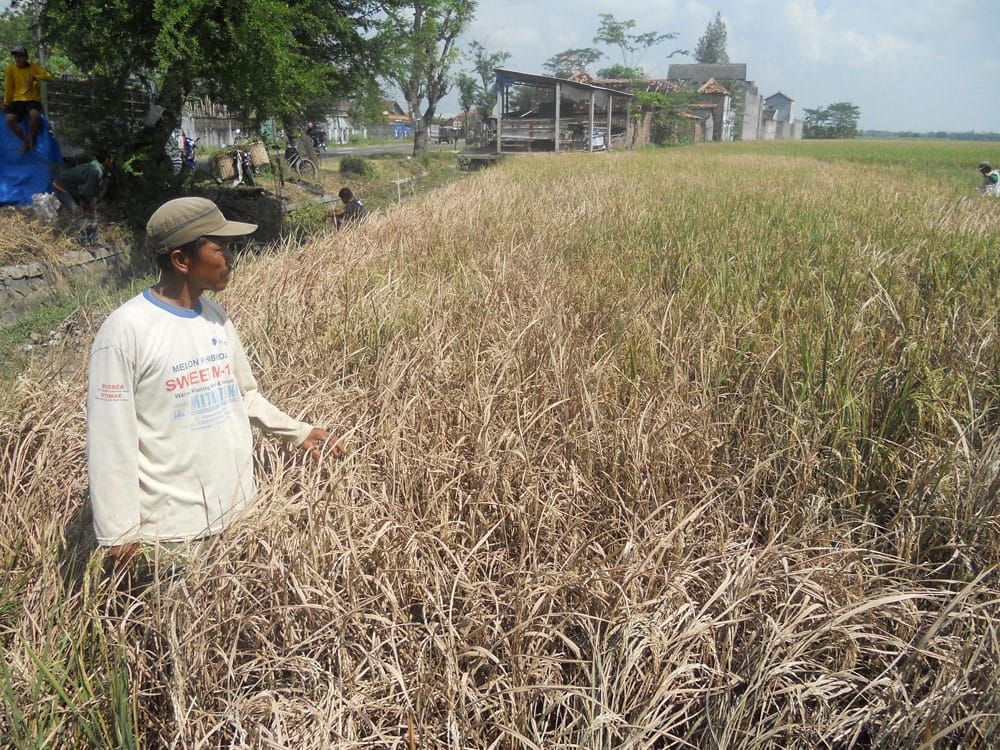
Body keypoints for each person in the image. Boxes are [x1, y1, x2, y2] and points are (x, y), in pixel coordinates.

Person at [87, 197, 346, 563]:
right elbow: (109, 438)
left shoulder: (214, 315)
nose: (230, 257)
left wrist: (297, 431)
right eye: (219, 247)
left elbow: (245, 395)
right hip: (174, 536)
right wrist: (119, 531)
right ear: (181, 260)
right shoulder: (126, 331)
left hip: (240, 515)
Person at [53, 149, 115, 240]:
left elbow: (89, 191)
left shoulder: (97, 166)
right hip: (62, 187)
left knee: (91, 211)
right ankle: (80, 238)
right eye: (112, 158)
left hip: (73, 188)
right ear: (106, 160)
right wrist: (82, 205)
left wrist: (90, 205)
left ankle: (93, 236)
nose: (113, 161)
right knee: (77, 211)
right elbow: (86, 192)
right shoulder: (96, 171)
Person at [3, 45, 52, 153]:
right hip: (17, 100)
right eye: (16, 56)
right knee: (9, 119)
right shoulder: (11, 69)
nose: (18, 59)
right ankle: (25, 141)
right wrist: (6, 102)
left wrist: (35, 77)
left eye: (20, 56)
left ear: (26, 57)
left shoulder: (34, 67)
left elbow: (48, 76)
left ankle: (32, 137)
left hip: (32, 99)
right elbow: (9, 87)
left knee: (35, 115)